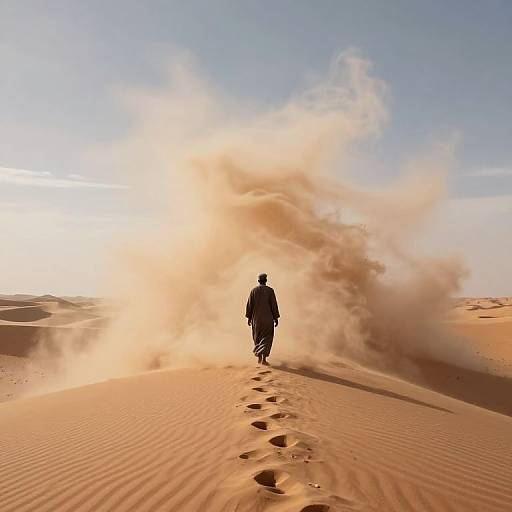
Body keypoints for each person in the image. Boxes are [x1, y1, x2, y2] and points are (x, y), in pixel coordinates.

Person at [245, 273, 280, 365]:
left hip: (256, 319)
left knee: (257, 337)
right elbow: (273, 305)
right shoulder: (270, 291)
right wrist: (276, 318)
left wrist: (249, 317)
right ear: (266, 281)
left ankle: (259, 357)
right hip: (268, 318)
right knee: (267, 337)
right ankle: (263, 359)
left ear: (258, 281)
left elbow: (249, 305)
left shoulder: (253, 291)